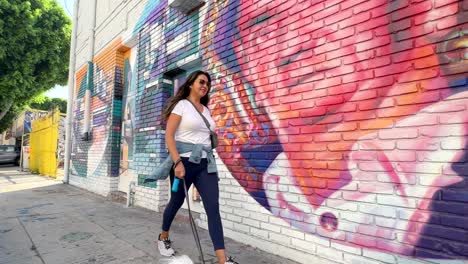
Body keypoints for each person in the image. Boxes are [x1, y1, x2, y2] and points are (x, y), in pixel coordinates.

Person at [202, 0, 468, 259]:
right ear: (245, 64)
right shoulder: (276, 185)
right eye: (263, 26)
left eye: (320, 5)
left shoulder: (453, 180)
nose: (292, 45)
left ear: (431, 7)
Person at [157, 70, 238, 264]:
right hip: (183, 163)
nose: (205, 86)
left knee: (213, 207)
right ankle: (163, 237)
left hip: (205, 164)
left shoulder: (206, 110)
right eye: (201, 82)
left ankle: (222, 260)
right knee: (176, 202)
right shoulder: (181, 105)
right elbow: (169, 136)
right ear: (191, 83)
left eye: (207, 84)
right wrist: (177, 162)